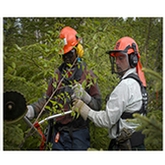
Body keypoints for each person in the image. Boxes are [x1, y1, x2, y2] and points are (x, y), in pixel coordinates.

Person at [26, 26, 102, 150]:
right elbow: (47, 101)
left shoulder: (87, 74)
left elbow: (98, 104)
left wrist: (86, 97)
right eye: (64, 55)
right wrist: (31, 110)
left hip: (79, 134)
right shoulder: (58, 74)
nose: (67, 58)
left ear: (78, 51)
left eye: (70, 53)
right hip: (59, 134)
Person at [72, 36, 148, 150]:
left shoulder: (126, 85)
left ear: (133, 59)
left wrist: (85, 110)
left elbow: (107, 120)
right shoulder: (137, 82)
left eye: (121, 58)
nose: (117, 62)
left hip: (125, 148)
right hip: (136, 145)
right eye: (116, 58)